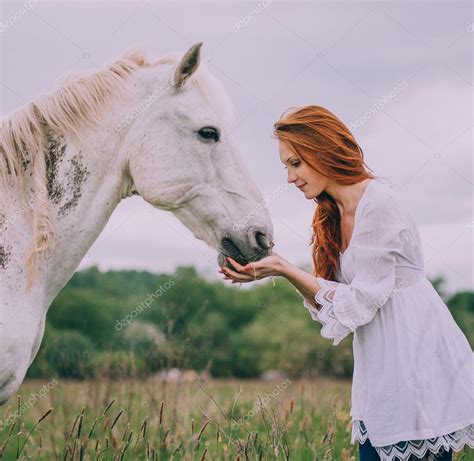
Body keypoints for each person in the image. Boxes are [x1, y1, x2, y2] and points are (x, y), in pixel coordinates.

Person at [219, 105, 474, 461]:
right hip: (379, 365)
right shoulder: (331, 216)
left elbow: (361, 302)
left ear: (322, 151)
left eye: (296, 163)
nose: (290, 178)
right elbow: (334, 304)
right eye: (286, 167)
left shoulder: (379, 206)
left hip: (416, 360)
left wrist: (287, 270)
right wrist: (279, 269)